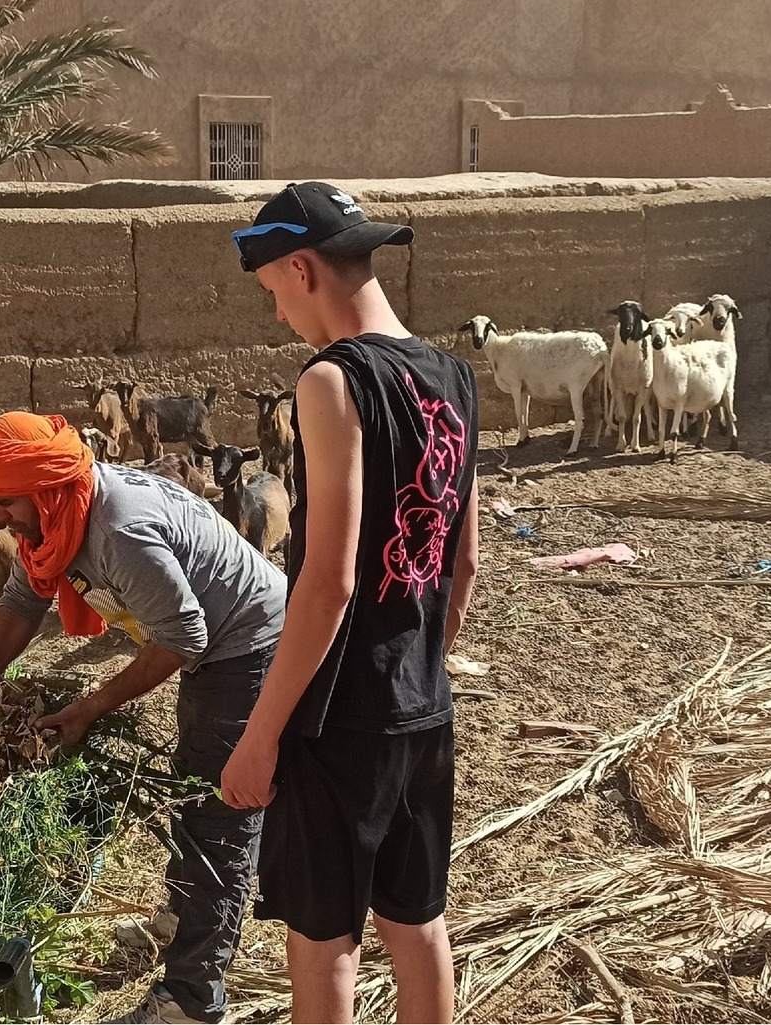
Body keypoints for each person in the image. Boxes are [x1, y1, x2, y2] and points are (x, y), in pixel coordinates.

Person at [217, 182, 482, 1024]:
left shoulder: (334, 382)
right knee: (418, 926)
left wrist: (260, 736)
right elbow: (465, 562)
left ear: (301, 268)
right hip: (424, 707)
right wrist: (422, 674)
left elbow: (327, 581)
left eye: (274, 296)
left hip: (340, 721)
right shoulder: (456, 376)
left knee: (325, 945)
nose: (280, 318)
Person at [0, 411, 284, 1025]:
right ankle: (183, 913)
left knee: (220, 816)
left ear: (43, 489)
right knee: (196, 784)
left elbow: (186, 637)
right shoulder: (53, 520)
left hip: (250, 644)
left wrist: (89, 707)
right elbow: (23, 599)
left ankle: (191, 999)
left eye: (2, 502)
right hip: (208, 641)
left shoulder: (117, 530)